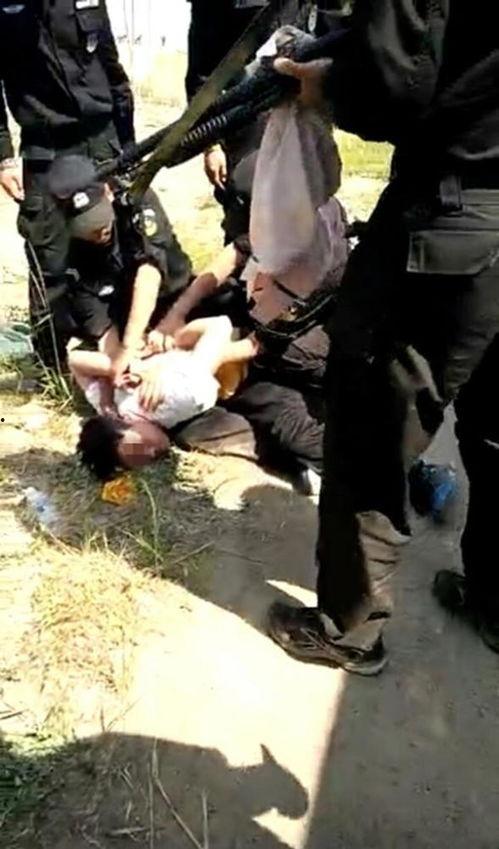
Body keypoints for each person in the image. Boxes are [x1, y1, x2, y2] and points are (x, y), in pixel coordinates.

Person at [265, 3, 499, 675]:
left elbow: (393, 89)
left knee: (371, 424)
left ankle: (347, 628)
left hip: (453, 218)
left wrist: (328, 83)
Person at [0, 0, 134, 365]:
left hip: (101, 144)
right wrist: (4, 158)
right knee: (50, 260)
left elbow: (112, 68)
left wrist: (129, 148)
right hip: (46, 150)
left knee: (115, 250)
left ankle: (120, 354)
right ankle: (51, 366)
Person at [46, 155, 192, 384]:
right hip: (124, 313)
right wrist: (123, 363)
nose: (98, 232)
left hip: (175, 299)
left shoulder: (135, 199)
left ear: (107, 192)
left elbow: (149, 272)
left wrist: (129, 346)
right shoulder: (72, 249)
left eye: (100, 219)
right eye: (86, 227)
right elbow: (100, 320)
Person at [70, 316, 258, 478]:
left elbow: (219, 325)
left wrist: (134, 369)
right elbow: (76, 361)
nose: (153, 451)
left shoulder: (179, 398)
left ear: (121, 422)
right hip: (177, 343)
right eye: (145, 459)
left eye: (141, 447)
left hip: (223, 330)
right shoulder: (113, 414)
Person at [185, 0, 311, 243]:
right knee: (246, 222)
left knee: (301, 217)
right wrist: (211, 146)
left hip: (299, 122)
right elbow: (201, 76)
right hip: (245, 127)